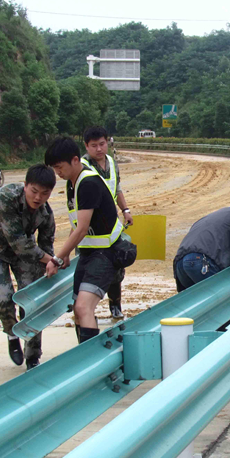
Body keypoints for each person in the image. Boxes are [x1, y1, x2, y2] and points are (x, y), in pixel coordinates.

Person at [44, 137, 133, 344]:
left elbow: (82, 228)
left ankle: (92, 363)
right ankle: (84, 354)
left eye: (60, 167)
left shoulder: (88, 182)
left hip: (107, 253)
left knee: (84, 307)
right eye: (55, 168)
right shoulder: (72, 182)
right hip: (89, 252)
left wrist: (57, 258)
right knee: (78, 308)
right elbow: (77, 222)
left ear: (75, 160)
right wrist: (66, 253)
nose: (58, 173)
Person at [0, 164, 57, 370]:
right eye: (34, 191)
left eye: (44, 193)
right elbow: (19, 242)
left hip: (25, 254)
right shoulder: (6, 198)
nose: (38, 197)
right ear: (25, 185)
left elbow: (46, 244)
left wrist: (50, 266)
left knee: (32, 301)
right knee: (3, 296)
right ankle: (12, 333)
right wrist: (49, 259)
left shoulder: (46, 214)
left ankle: (33, 355)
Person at [81, 126, 133, 320]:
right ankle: (85, 310)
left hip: (112, 225)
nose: (99, 149)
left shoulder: (112, 162)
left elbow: (117, 188)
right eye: (93, 146)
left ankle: (115, 305)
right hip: (90, 226)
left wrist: (125, 210)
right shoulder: (83, 166)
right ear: (86, 146)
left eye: (102, 144)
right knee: (88, 267)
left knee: (116, 266)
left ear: (107, 143)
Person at [173, 206, 230, 291]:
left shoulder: (207, 220)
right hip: (200, 260)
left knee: (193, 302)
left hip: (180, 264)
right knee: (223, 298)